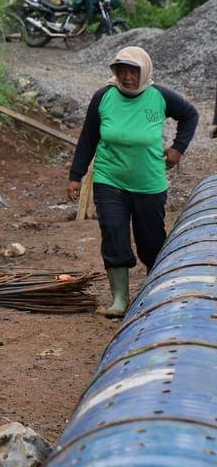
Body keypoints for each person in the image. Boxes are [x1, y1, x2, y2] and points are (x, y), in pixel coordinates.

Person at [67, 46, 199, 318]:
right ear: (114, 72)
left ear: (145, 71)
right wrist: (75, 176)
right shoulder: (103, 97)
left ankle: (156, 290)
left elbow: (190, 115)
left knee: (151, 240)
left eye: (133, 72)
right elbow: (88, 138)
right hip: (109, 178)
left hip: (149, 182)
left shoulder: (159, 96)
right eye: (122, 71)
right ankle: (120, 298)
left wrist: (178, 149)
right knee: (113, 233)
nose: (127, 77)